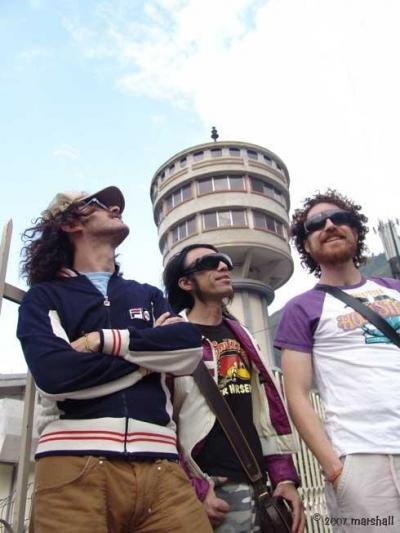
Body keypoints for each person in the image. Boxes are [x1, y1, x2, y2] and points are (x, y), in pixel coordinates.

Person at [17, 186, 212, 533]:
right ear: (70, 224)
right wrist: (151, 358)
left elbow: (189, 348)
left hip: (163, 468)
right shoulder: (43, 297)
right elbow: (55, 374)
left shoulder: (147, 294)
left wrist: (102, 340)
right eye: (98, 203)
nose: (115, 207)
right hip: (72, 467)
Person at [274, 189, 400, 532]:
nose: (329, 225)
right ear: (306, 245)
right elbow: (297, 395)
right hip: (361, 459)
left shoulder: (394, 289)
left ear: (355, 230)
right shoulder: (301, 309)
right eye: (316, 224)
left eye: (339, 218)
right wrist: (334, 469)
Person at [163, 243, 304, 533]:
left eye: (224, 260)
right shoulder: (173, 339)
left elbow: (266, 413)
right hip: (211, 490)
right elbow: (162, 421)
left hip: (260, 485)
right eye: (208, 263)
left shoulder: (244, 336)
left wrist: (284, 477)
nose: (223, 266)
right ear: (186, 283)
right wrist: (194, 487)